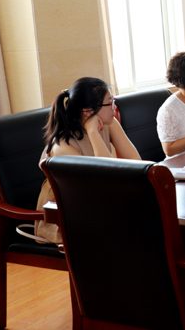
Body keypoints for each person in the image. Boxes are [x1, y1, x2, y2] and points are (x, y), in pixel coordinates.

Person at [35, 77, 141, 243]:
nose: (114, 107)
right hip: (66, 216)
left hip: (99, 207)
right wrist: (92, 132)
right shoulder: (63, 146)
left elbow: (137, 162)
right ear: (88, 111)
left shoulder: (109, 123)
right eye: (110, 102)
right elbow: (101, 183)